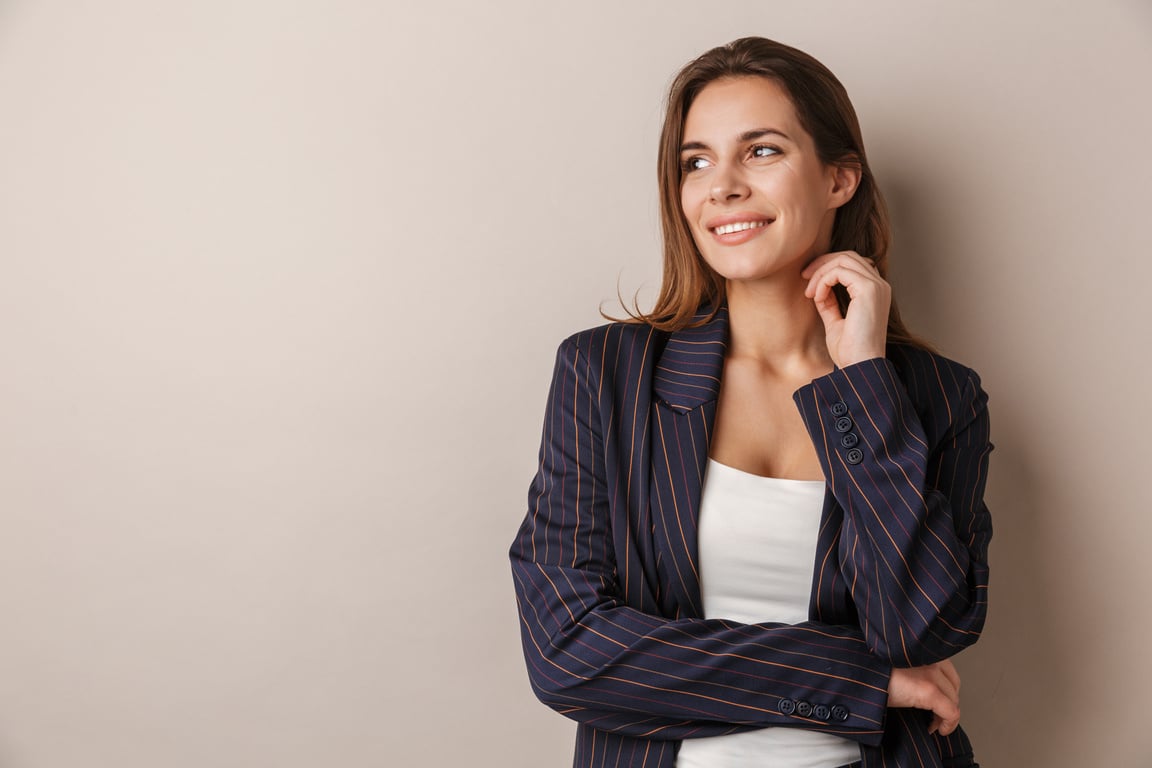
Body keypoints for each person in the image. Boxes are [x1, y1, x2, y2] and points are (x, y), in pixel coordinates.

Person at [509, 37, 991, 768]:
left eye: (760, 151)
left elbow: (919, 630)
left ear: (839, 179)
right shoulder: (604, 374)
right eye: (696, 162)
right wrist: (855, 678)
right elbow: (569, 649)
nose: (722, 186)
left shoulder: (939, 398)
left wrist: (863, 379)